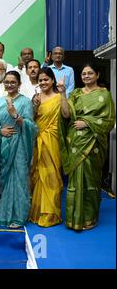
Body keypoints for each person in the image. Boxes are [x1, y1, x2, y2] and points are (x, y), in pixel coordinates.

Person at [58, 64, 115, 231]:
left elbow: (109, 120)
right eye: (84, 74)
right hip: (75, 142)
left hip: (94, 145)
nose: (87, 76)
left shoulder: (104, 95)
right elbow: (66, 114)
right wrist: (62, 92)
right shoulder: (75, 94)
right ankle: (73, 218)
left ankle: (89, 218)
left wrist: (87, 123)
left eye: (90, 73)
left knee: (91, 180)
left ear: (97, 75)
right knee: (75, 182)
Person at [0, 71, 37, 228]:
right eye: (7, 82)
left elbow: (32, 127)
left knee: (19, 180)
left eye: (13, 82)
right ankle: (5, 215)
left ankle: (19, 216)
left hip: (19, 145)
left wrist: (16, 116)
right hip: (3, 146)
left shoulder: (25, 102)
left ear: (19, 84)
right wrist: (0, 131)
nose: (9, 84)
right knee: (5, 181)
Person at [29, 68, 63, 227]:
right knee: (37, 175)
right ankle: (37, 212)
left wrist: (63, 95)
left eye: (46, 79)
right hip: (38, 140)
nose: (43, 82)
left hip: (53, 141)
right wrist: (34, 107)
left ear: (53, 80)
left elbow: (67, 116)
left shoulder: (58, 97)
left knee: (51, 176)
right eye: (41, 80)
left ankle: (51, 214)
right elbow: (31, 120)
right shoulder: (36, 98)